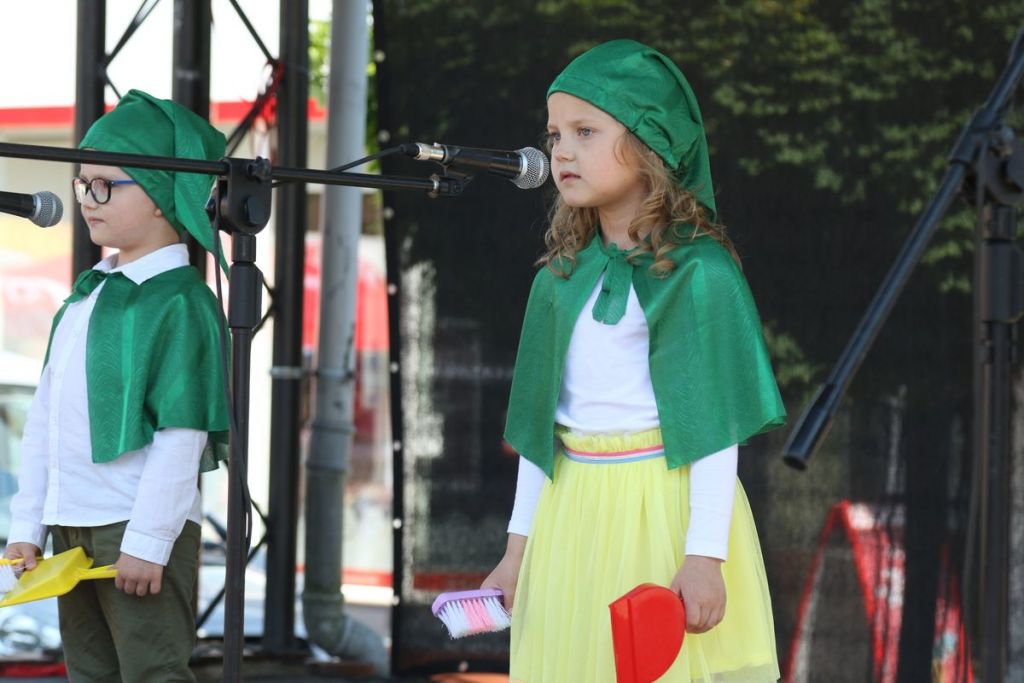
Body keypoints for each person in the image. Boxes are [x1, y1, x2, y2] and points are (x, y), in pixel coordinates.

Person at [482, 40, 786, 682]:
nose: (561, 151)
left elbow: (714, 431)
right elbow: (541, 436)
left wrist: (704, 555)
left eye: (585, 131)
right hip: (570, 516)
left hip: (662, 511)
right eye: (555, 134)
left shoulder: (699, 273)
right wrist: (516, 553)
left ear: (650, 143)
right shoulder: (558, 280)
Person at [3, 89, 229, 682]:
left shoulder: (182, 301)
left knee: (153, 673)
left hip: (133, 524)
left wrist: (149, 540)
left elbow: (183, 433)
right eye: (83, 183)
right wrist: (27, 527)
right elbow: (45, 421)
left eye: (106, 185)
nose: (86, 198)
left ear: (160, 193)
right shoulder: (85, 297)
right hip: (71, 523)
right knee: (89, 673)